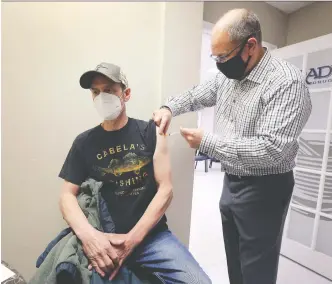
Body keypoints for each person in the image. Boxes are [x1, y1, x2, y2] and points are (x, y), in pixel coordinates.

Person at [153, 8, 312, 284]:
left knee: (257, 268)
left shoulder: (286, 82)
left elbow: (273, 149)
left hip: (266, 187)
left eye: (223, 56)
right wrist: (169, 107)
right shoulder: (228, 77)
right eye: (215, 57)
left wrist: (207, 142)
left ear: (250, 46)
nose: (219, 64)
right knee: (235, 260)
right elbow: (196, 94)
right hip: (232, 182)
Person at [59, 62, 211, 284]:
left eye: (109, 90)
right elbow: (66, 196)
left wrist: (132, 240)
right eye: (95, 92)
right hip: (105, 239)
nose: (102, 96)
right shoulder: (84, 143)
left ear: (126, 94)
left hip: (152, 238)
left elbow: (166, 189)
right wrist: (90, 237)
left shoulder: (150, 131)